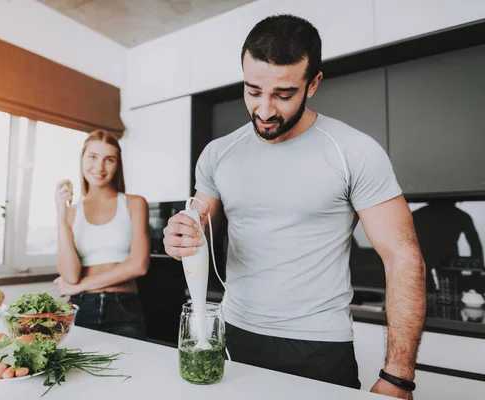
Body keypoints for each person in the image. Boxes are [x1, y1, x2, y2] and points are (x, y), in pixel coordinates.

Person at [163, 14, 425, 399]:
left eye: (283, 95)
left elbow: (403, 257)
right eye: (252, 90)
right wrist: (180, 237)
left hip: (318, 345)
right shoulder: (218, 154)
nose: (265, 110)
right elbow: (198, 229)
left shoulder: (354, 151)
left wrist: (398, 375)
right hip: (233, 335)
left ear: (313, 83)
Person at [53, 129, 150, 340]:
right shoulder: (70, 212)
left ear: (117, 165)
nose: (99, 167)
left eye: (109, 159)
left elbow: (138, 265)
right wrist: (61, 216)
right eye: (93, 157)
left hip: (124, 308)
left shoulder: (135, 204)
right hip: (81, 307)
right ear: (82, 159)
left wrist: (81, 285)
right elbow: (69, 275)